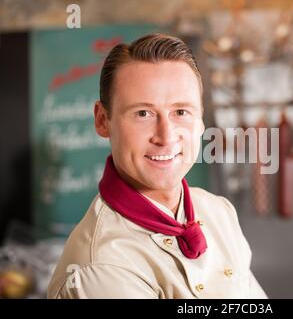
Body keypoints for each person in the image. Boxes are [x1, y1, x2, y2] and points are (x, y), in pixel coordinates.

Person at [47, 33, 267, 299]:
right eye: (143, 114)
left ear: (200, 121)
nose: (166, 136)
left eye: (181, 112)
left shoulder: (218, 212)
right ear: (103, 120)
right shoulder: (101, 268)